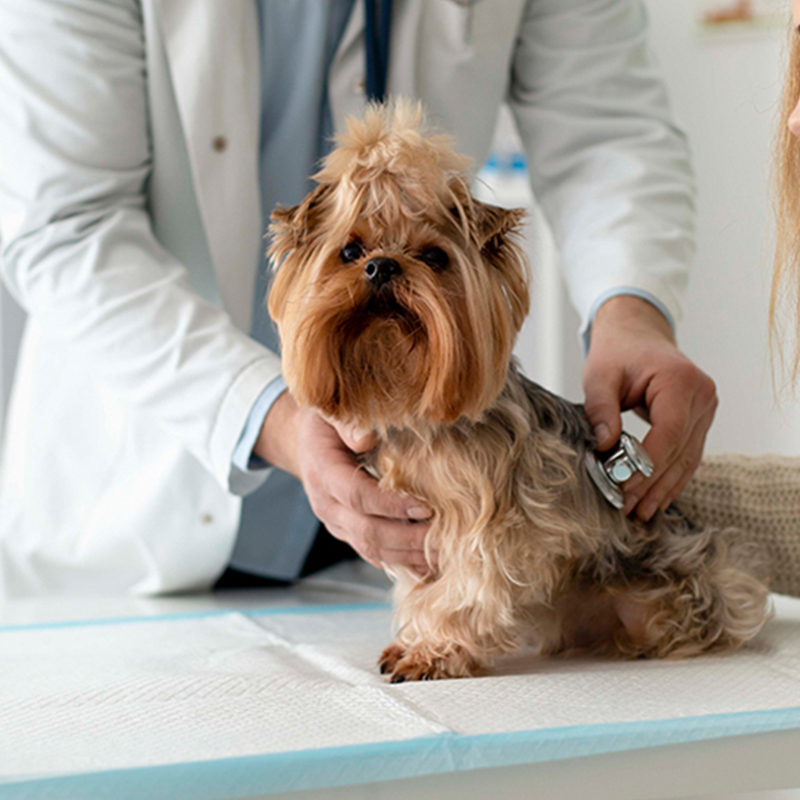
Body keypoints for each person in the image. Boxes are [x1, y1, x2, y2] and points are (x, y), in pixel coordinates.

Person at [0, 0, 715, 596]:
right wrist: (273, 420)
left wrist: (632, 309)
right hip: (138, 512)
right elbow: (66, 223)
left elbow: (608, 128)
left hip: (411, 545)